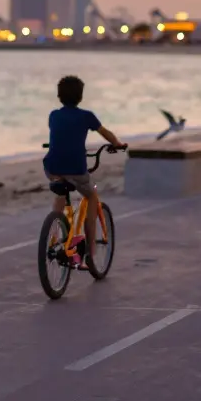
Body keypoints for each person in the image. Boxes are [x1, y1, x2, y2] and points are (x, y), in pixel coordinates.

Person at [43, 76, 126, 267]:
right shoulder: (87, 116)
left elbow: (59, 133)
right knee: (92, 195)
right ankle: (90, 251)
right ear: (81, 97)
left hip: (52, 167)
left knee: (60, 191)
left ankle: (54, 234)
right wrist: (117, 144)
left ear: (59, 96)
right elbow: (106, 133)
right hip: (76, 169)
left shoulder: (53, 115)